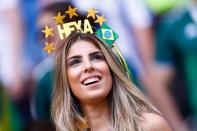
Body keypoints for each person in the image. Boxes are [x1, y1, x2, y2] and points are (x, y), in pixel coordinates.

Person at [51, 32, 172, 131]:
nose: (88, 66)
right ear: (64, 80)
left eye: (97, 57)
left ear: (111, 69)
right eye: (75, 62)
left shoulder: (151, 125)